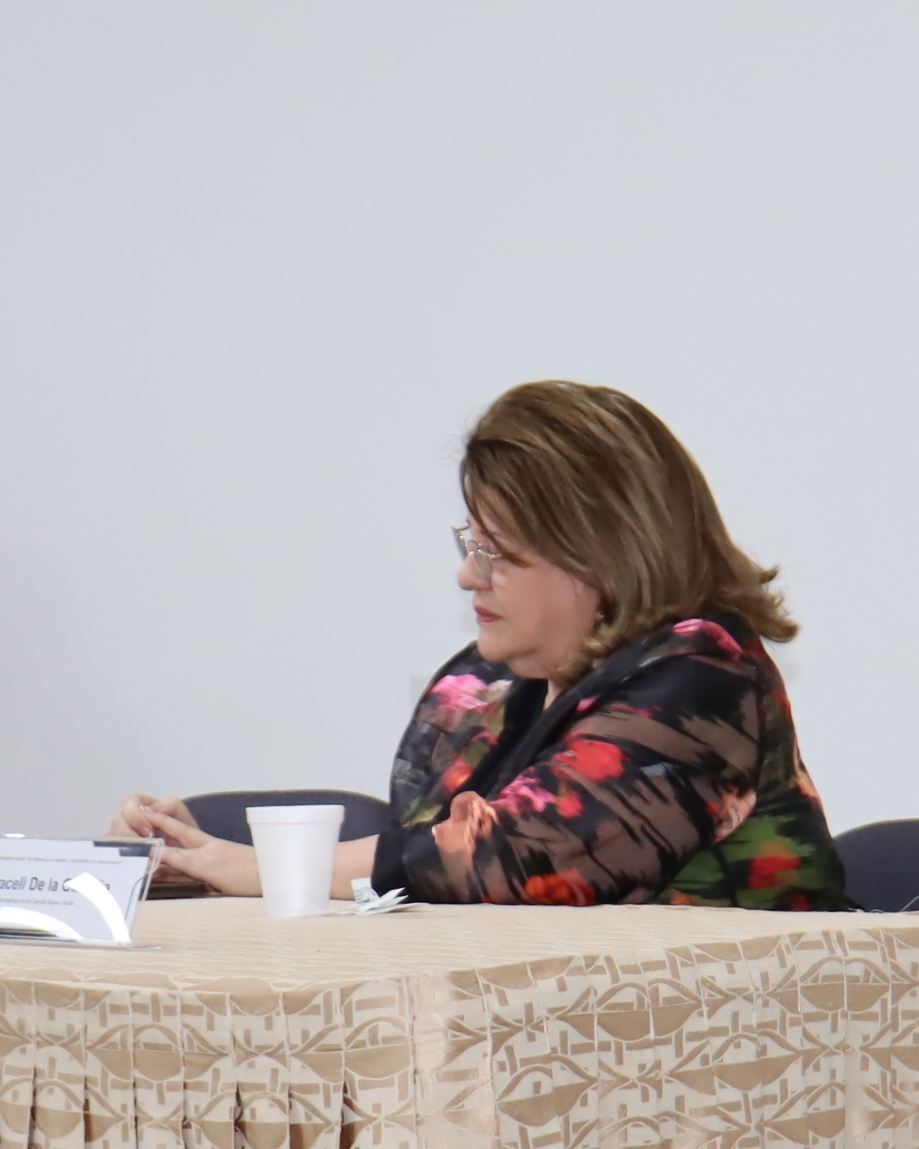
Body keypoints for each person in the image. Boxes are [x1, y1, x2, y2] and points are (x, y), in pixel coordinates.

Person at [112, 380, 845, 908]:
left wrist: (255, 867)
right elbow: (398, 891)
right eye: (470, 545)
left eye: (496, 552)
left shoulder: (704, 677)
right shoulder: (476, 689)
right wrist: (183, 859)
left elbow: (510, 859)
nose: (469, 575)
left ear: (599, 554)